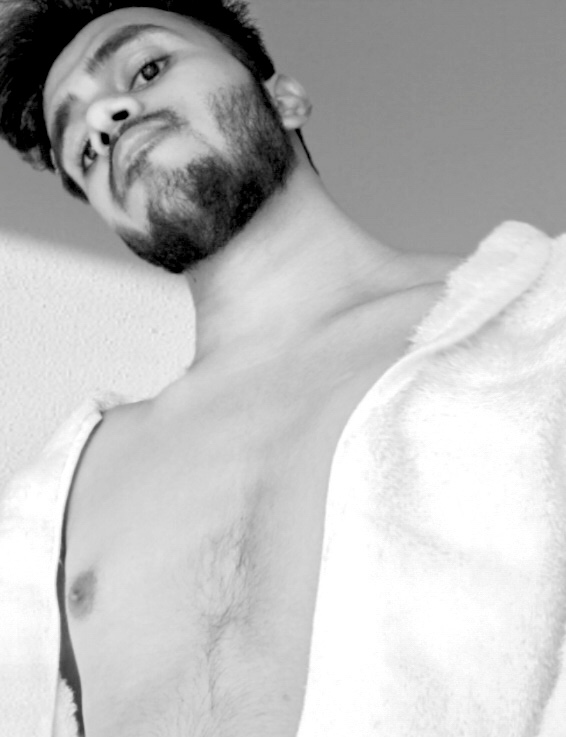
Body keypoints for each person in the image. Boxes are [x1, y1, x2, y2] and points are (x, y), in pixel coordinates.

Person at [1, 2, 566, 736]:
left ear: (285, 97)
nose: (105, 119)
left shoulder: (539, 324)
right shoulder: (60, 494)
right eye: (82, 145)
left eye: (146, 68)